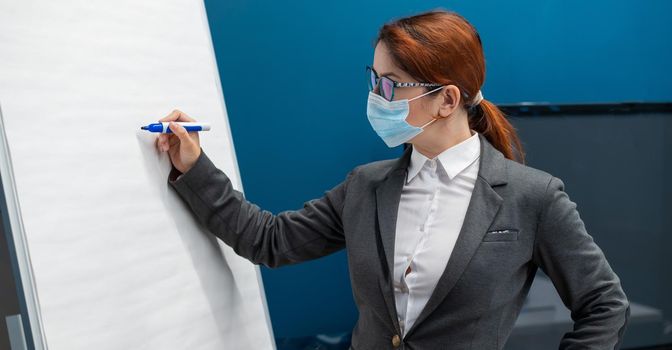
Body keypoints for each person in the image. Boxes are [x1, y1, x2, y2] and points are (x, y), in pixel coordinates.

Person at [155, 9, 629, 350]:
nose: (375, 96)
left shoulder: (533, 196)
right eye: (373, 79)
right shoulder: (366, 185)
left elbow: (604, 304)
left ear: (447, 100)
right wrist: (194, 165)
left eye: (390, 84)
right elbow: (269, 241)